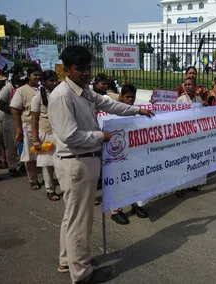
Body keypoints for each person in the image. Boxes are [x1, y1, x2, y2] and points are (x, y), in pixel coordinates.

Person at [48, 45, 153, 284]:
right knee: (79, 221)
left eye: (88, 68)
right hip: (75, 163)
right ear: (66, 70)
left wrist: (137, 110)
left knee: (72, 217)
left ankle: (69, 260)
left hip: (83, 161)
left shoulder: (83, 91)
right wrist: (100, 137)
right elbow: (71, 136)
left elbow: (109, 105)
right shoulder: (62, 96)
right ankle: (82, 273)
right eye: (79, 69)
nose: (85, 73)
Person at [110, 84, 149, 225]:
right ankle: (116, 210)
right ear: (121, 96)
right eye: (127, 97)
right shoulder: (114, 110)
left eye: (132, 97)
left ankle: (136, 204)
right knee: (119, 181)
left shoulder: (137, 110)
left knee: (135, 178)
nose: (130, 100)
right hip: (118, 152)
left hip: (133, 152)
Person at [10, 65, 42, 189]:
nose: (38, 77)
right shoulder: (22, 90)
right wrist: (18, 130)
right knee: (30, 154)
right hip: (29, 125)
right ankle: (33, 180)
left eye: (39, 75)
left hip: (44, 125)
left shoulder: (43, 88)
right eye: (35, 75)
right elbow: (15, 110)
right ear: (29, 76)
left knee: (45, 152)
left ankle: (48, 178)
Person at [31, 70, 59, 201]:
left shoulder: (59, 94)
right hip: (45, 133)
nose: (54, 83)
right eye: (51, 80)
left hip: (59, 132)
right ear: (43, 82)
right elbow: (34, 119)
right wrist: (35, 139)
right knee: (47, 165)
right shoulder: (37, 97)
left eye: (55, 80)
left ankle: (65, 188)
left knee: (61, 163)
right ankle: (50, 189)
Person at [175, 78, 205, 197]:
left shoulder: (199, 100)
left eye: (190, 85)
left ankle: (192, 184)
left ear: (195, 86)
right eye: (185, 85)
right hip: (183, 135)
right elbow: (176, 117)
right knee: (183, 161)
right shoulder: (180, 100)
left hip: (195, 135)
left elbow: (202, 116)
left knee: (193, 159)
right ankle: (179, 186)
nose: (187, 87)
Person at [0, 67, 25, 178]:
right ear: (15, 76)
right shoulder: (7, 88)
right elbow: (0, 104)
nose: (23, 75)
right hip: (9, 119)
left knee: (23, 143)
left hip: (22, 119)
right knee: (11, 144)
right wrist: (14, 111)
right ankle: (12, 167)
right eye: (20, 73)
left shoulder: (23, 86)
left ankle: (23, 163)